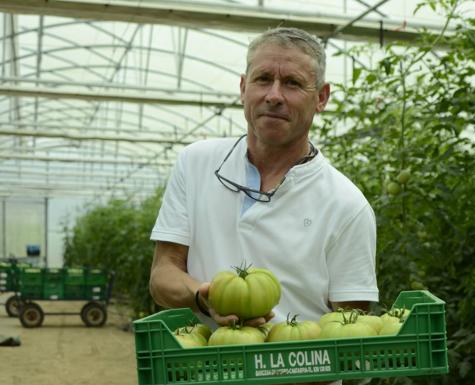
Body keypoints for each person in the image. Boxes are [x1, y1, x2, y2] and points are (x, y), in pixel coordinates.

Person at [149, 27, 378, 329]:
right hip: (206, 371)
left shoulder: (346, 205)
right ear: (244, 88)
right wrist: (204, 296)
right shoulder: (196, 164)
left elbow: (350, 328)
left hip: (299, 373)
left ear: (321, 98)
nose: (274, 96)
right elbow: (162, 275)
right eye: (263, 79)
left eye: (293, 83)